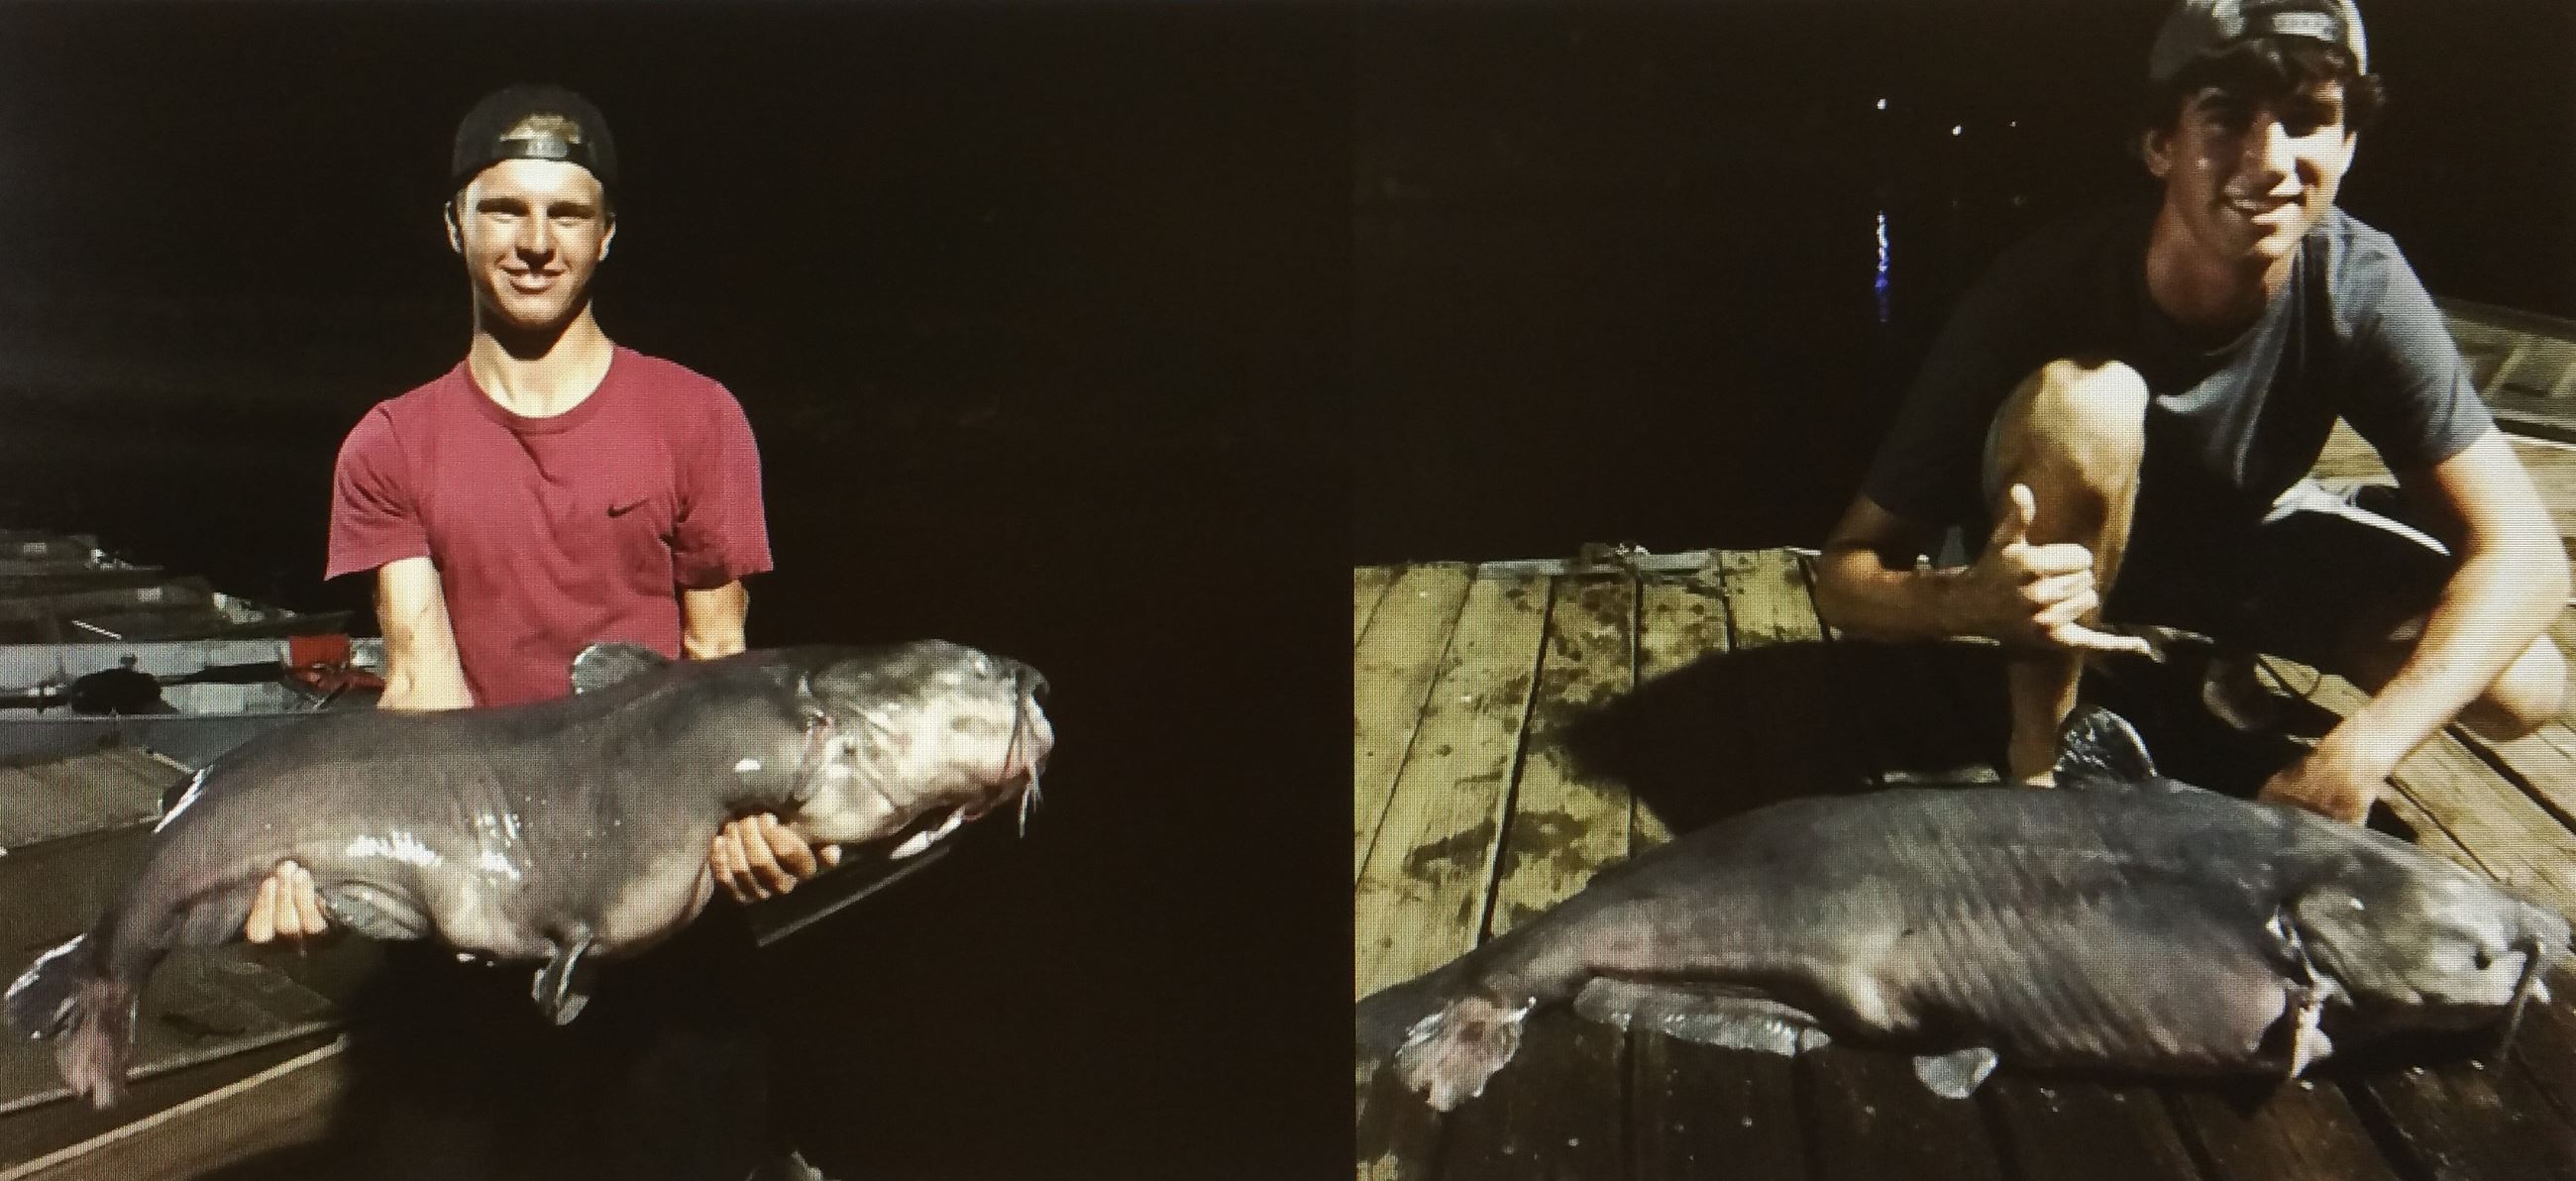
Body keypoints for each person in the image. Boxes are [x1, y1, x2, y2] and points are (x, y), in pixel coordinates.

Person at [243, 84, 832, 1181]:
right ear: (455, 224)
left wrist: (757, 824)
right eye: (504, 209)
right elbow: (422, 692)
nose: (533, 242)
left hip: (668, 899)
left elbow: (721, 665)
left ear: (607, 236)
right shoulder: (389, 445)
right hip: (483, 903)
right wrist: (336, 875)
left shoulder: (696, 419)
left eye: (566, 214)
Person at [1812, 0, 2567, 824]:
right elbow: (1845, 577)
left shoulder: (2361, 281)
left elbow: (2526, 556)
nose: (2272, 161)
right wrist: (1964, 601)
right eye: (2227, 119)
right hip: (2072, 564)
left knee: (2523, 685)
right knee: (2089, 399)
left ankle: (2206, 659)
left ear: (2348, 145)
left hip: (2245, 548)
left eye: (2310, 120)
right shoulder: (2043, 283)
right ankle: (2040, 759)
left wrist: (2358, 754)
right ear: (2159, 144)